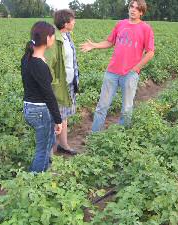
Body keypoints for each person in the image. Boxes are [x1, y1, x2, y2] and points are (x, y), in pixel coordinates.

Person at [80, 0, 155, 132]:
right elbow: (110, 42)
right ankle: (95, 137)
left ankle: (121, 138)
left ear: (141, 12)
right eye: (131, 6)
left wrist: (136, 68)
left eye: (137, 8)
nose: (133, 10)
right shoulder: (120, 24)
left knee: (126, 108)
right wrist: (94, 45)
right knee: (102, 106)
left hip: (130, 74)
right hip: (112, 72)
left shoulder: (145, 28)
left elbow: (150, 52)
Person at [21, 21, 62, 173]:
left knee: (48, 141)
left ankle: (44, 171)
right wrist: (58, 120)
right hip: (39, 110)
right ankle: (35, 181)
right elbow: (48, 95)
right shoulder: (39, 64)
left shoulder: (27, 58)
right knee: (42, 149)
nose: (54, 38)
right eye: (53, 36)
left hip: (29, 107)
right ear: (47, 39)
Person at [45, 9, 79, 155]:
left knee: (63, 115)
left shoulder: (67, 36)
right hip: (58, 85)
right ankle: (50, 152)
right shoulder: (54, 39)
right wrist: (53, 83)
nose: (74, 22)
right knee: (55, 117)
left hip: (69, 83)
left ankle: (63, 145)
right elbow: (48, 64)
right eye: (72, 20)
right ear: (66, 23)